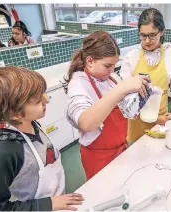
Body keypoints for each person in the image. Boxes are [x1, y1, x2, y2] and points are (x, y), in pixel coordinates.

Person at [0, 66, 84, 211]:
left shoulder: (31, 123)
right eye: (38, 100)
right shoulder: (5, 153)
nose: (46, 101)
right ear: (15, 113)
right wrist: (49, 204)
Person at [65, 31, 150, 180]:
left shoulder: (112, 78)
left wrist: (136, 102)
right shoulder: (78, 84)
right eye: (107, 65)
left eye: (114, 65)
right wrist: (122, 88)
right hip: (98, 157)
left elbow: (122, 107)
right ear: (90, 61)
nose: (112, 70)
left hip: (121, 149)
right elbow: (86, 123)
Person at [119, 8, 171, 143]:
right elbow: (124, 98)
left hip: (162, 124)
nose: (146, 40)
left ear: (162, 31)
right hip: (136, 123)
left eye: (152, 35)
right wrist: (155, 118)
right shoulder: (131, 57)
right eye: (142, 35)